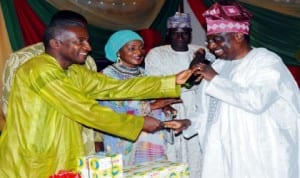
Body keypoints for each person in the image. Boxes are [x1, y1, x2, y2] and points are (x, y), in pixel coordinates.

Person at [0, 10, 196, 177]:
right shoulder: (38, 69)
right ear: (56, 43)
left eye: (87, 41)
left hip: (67, 149)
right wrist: (139, 123)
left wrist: (170, 81)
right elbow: (85, 110)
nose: (89, 47)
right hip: (33, 157)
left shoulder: (74, 70)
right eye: (80, 41)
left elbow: (114, 87)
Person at [183, 1, 300, 178]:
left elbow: (256, 101)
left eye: (217, 39)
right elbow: (207, 111)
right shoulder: (219, 66)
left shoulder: (266, 61)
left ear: (238, 35)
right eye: (209, 40)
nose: (211, 46)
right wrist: (188, 123)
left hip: (258, 154)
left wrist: (214, 78)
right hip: (223, 154)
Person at [99, 29, 190, 166]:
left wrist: (165, 107)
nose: (139, 52)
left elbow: (152, 97)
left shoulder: (144, 73)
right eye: (132, 48)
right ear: (118, 52)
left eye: (141, 48)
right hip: (124, 138)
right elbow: (108, 109)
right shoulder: (106, 76)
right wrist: (151, 106)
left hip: (150, 137)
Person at [144, 12, 215, 178]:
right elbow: (163, 85)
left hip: (198, 107)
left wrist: (200, 55)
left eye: (185, 31)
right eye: (176, 32)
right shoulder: (156, 54)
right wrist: (197, 58)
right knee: (173, 153)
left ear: (190, 33)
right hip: (171, 107)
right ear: (168, 34)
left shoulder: (204, 51)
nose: (181, 36)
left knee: (198, 152)